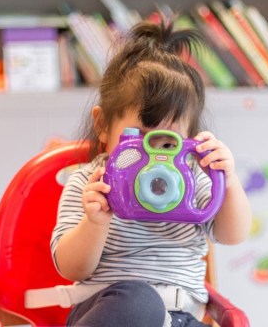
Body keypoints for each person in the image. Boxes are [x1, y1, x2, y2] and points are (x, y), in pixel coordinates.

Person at [50, 17, 252, 327]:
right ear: (103, 125)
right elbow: (70, 268)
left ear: (188, 141)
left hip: (183, 317)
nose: (152, 157)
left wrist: (229, 181)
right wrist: (95, 222)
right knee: (140, 303)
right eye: (140, 137)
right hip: (111, 312)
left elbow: (232, 234)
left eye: (166, 142)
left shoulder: (191, 180)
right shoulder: (90, 184)